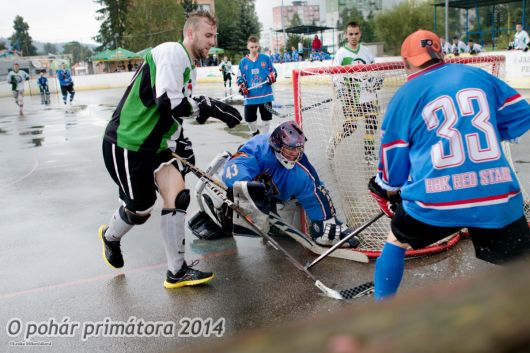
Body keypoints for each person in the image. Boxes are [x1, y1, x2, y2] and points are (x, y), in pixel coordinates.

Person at [367, 29, 530, 302]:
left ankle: (382, 309)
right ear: (440, 53)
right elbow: (520, 116)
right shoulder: (477, 75)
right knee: (521, 267)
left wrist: (386, 188)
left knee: (396, 241)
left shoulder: (405, 96)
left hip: (437, 201)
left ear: (405, 63)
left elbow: (392, 174)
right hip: (497, 195)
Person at [99, 11, 242, 289]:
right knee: (140, 209)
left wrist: (181, 142)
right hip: (128, 143)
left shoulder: (189, 66)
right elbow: (168, 102)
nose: (212, 42)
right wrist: (207, 107)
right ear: (190, 33)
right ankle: (110, 237)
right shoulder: (171, 52)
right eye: (208, 35)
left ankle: (176, 271)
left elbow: (173, 114)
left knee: (179, 197)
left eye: (214, 36)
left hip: (157, 147)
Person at [189, 121, 360, 248]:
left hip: (273, 197)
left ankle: (322, 228)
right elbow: (236, 166)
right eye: (290, 149)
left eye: (298, 148)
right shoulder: (259, 149)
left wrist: (326, 223)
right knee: (225, 198)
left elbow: (315, 189)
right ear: (277, 146)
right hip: (251, 191)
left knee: (285, 232)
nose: (295, 154)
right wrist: (247, 188)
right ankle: (216, 219)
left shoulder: (300, 170)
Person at [329, 21, 381, 162]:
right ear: (346, 35)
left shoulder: (366, 51)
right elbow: (336, 76)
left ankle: (369, 154)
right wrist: (341, 91)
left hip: (368, 95)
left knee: (372, 123)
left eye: (356, 33)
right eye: (350, 34)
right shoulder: (341, 53)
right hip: (351, 95)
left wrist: (376, 81)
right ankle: (334, 141)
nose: (353, 36)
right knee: (351, 127)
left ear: (360, 34)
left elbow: (374, 70)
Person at [237, 35, 277, 136]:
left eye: (256, 47)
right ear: (247, 47)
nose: (254, 49)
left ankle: (264, 138)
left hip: (265, 95)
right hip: (250, 97)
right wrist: (242, 85)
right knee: (249, 119)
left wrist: (272, 77)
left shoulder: (265, 58)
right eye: (251, 47)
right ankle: (255, 133)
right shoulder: (243, 62)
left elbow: (274, 72)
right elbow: (239, 77)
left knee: (266, 119)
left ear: (258, 46)